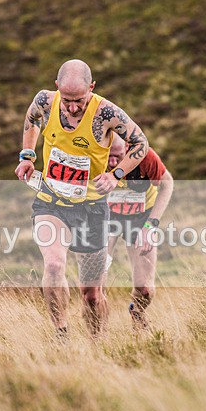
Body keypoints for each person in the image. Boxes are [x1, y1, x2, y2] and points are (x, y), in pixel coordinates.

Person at [15, 59, 150, 338]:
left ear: (92, 87)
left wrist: (115, 175)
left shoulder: (107, 113)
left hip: (92, 210)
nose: (73, 107)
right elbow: (31, 120)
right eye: (67, 100)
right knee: (53, 264)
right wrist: (27, 156)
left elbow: (141, 144)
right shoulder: (44, 100)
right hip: (51, 202)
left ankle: (96, 343)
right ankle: (61, 333)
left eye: (80, 100)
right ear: (56, 88)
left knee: (91, 294)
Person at [105, 135, 173, 329]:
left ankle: (137, 312)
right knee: (95, 283)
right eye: (108, 157)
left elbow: (167, 184)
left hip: (141, 217)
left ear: (126, 149)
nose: (112, 162)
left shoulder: (143, 155)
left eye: (117, 156)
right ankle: (97, 335)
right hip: (107, 215)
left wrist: (151, 225)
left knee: (145, 289)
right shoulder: (94, 154)